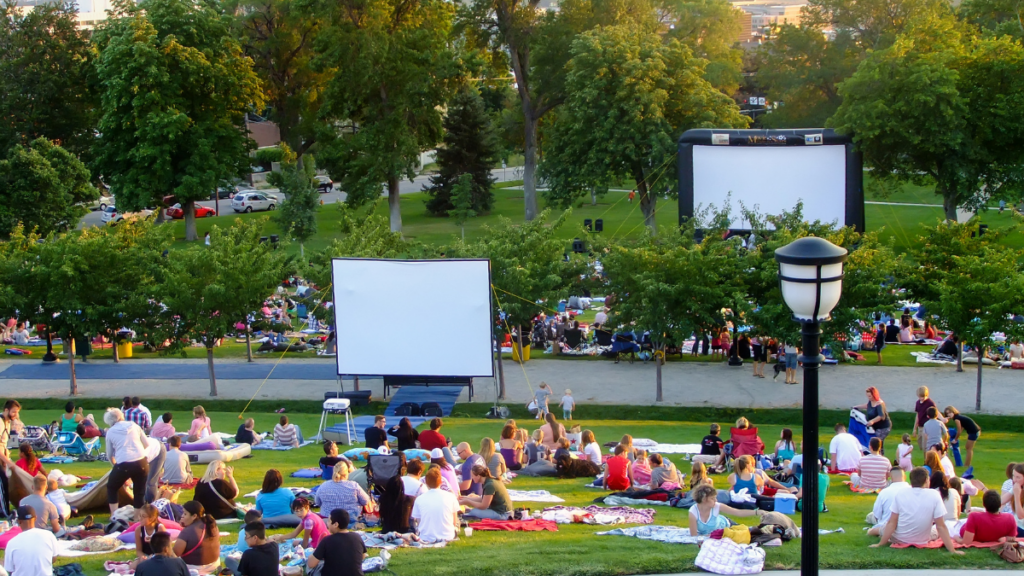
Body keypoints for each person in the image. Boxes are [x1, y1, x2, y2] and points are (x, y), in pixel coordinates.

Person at [870, 467, 962, 554]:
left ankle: (870, 531)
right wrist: (952, 550)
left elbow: (892, 522)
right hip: (923, 538)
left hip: (899, 538)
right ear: (926, 480)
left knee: (883, 528)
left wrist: (880, 544)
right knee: (935, 531)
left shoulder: (901, 493)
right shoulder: (934, 494)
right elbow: (941, 526)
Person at [104, 407, 152, 513]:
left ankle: (114, 515)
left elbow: (110, 455)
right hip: (142, 462)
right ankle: (137, 517)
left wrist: (116, 467)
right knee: (139, 491)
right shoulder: (134, 426)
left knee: (112, 487)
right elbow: (147, 444)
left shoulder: (111, 432)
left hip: (124, 463)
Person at [306, 510, 366, 576]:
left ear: (335, 524)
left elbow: (311, 564)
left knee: (311, 565)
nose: (327, 523)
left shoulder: (327, 540)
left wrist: (316, 551)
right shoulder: (357, 537)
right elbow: (362, 556)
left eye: (329, 521)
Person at [3, 506, 58, 576]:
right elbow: (54, 558)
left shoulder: (12, 543)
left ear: (19, 521)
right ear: (35, 518)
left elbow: (10, 569)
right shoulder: (49, 535)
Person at [411, 467, 459, 542]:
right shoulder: (451, 496)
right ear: (441, 482)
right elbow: (454, 521)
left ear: (426, 482)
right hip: (448, 536)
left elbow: (419, 521)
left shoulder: (419, 499)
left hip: (425, 537)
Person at [173, 501, 222, 573]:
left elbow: (174, 554)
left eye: (185, 514)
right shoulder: (211, 524)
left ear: (194, 516)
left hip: (195, 569)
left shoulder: (187, 532)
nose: (182, 516)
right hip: (215, 565)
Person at [688, 485, 756, 536]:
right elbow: (694, 536)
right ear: (704, 499)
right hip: (719, 534)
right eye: (712, 498)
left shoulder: (717, 506)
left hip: (728, 525)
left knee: (749, 533)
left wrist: (757, 512)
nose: (716, 500)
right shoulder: (693, 512)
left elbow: (738, 512)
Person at [867, 469, 911, 536]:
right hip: (909, 526)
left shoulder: (884, 492)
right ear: (905, 477)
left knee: (870, 516)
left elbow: (877, 515)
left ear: (891, 478)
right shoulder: (913, 491)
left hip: (887, 526)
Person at [854, 387, 892, 451]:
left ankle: (878, 457)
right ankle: (880, 456)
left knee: (875, 442)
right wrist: (856, 407)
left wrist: (872, 421)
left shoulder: (879, 403)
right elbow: (868, 406)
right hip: (876, 427)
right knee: (878, 443)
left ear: (874, 395)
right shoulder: (871, 401)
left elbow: (881, 416)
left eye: (870, 396)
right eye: (867, 396)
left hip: (883, 427)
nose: (869, 398)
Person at [944, 406, 981, 471]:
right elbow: (962, 427)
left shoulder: (957, 419)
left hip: (974, 432)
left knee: (969, 448)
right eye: (947, 414)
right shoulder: (959, 417)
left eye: (950, 412)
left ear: (953, 411)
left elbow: (959, 430)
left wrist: (955, 439)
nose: (949, 414)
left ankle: (967, 465)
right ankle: (967, 464)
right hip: (974, 431)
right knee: (968, 448)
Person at [131, 504, 167, 569]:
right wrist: (142, 557)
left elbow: (164, 549)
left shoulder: (160, 528)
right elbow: (138, 550)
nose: (140, 518)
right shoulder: (138, 530)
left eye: (143, 516)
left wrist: (154, 556)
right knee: (133, 566)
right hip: (146, 556)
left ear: (152, 518)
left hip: (158, 556)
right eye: (140, 516)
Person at [913, 386, 942, 451]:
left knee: (925, 445)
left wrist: (942, 419)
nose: (922, 398)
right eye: (920, 396)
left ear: (926, 395)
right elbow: (918, 415)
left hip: (927, 426)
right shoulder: (918, 403)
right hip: (920, 426)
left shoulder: (930, 403)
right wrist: (914, 428)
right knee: (920, 442)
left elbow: (936, 412)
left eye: (923, 396)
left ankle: (927, 459)